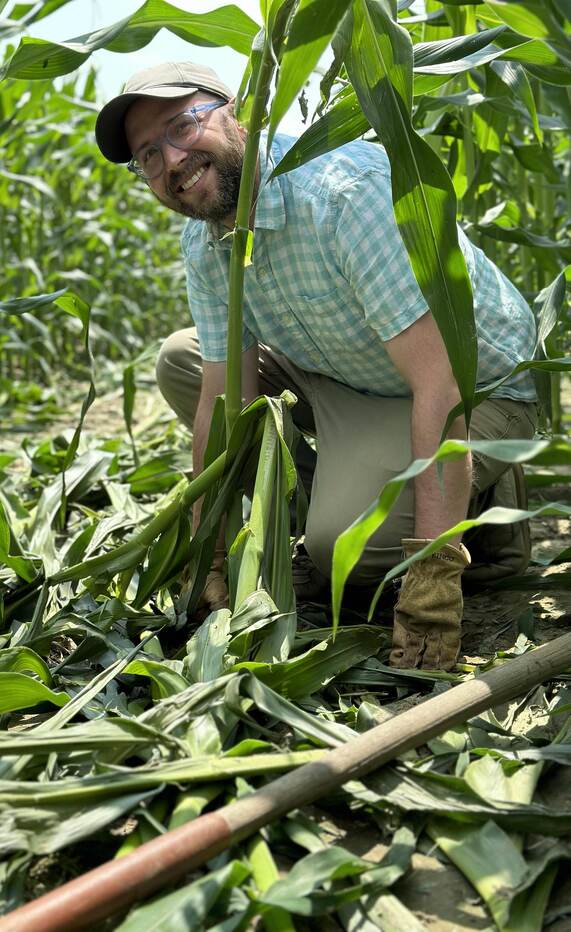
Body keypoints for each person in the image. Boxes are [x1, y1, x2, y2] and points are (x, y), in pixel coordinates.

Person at [95, 62, 538, 672]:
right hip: (352, 376)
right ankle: (352, 486)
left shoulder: (344, 195)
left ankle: (484, 508)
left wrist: (432, 582)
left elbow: (441, 383)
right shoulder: (207, 240)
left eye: (182, 126)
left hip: (476, 387)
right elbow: (224, 400)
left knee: (345, 554)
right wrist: (211, 556)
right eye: (147, 155)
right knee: (183, 361)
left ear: (238, 110)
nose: (170, 161)